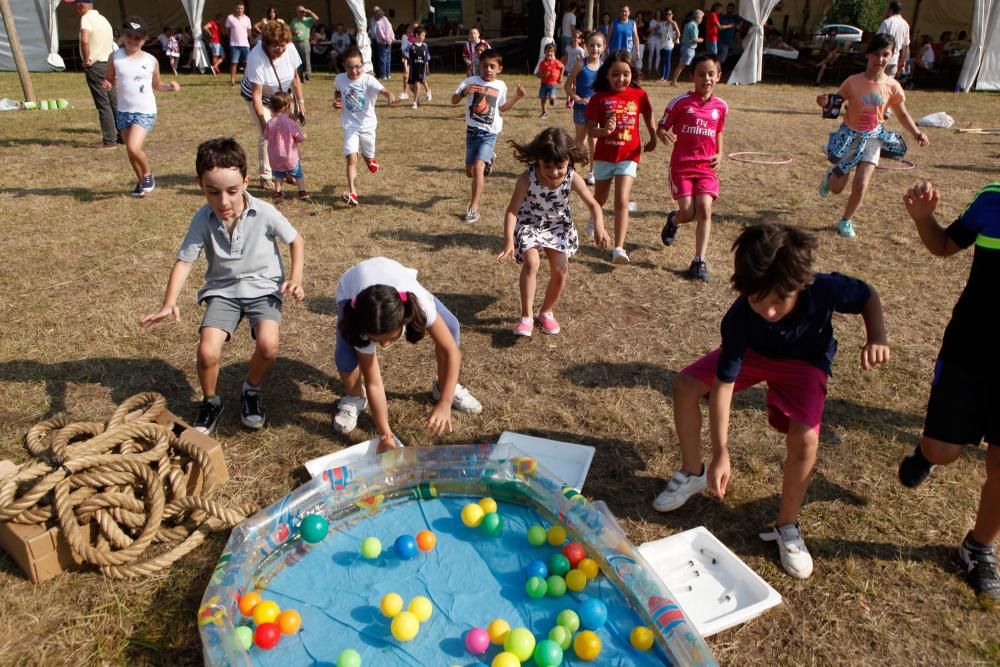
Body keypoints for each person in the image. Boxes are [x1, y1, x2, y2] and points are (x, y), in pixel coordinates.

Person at [652, 222, 890, 580]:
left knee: (806, 438)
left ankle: (787, 525)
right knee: (685, 385)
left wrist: (877, 336)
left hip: (806, 362)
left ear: (800, 282)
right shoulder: (739, 319)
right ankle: (692, 472)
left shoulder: (823, 289)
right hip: (754, 354)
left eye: (780, 299)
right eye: (756, 299)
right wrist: (721, 452)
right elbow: (723, 387)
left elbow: (867, 295)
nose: (769, 311)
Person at [140, 137, 305, 434]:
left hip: (264, 288)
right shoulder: (203, 218)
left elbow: (296, 240)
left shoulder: (265, 212)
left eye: (232, 191)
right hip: (223, 291)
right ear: (200, 184)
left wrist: (296, 278)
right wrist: (168, 302)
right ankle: (211, 400)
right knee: (207, 352)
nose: (223, 201)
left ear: (246, 181)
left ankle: (251, 391)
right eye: (212, 192)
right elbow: (185, 261)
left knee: (268, 344)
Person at [898, 181, 1000, 602]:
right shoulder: (992, 200)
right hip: (969, 352)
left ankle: (978, 546)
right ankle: (926, 455)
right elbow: (943, 245)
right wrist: (924, 220)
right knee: (943, 450)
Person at [331, 257, 483, 452]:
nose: (384, 345)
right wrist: (385, 435)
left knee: (451, 328)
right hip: (353, 290)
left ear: (405, 318)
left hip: (395, 282)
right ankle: (355, 397)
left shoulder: (417, 304)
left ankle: (446, 387)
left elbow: (452, 351)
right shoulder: (360, 322)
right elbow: (374, 383)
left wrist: (444, 403)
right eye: (377, 339)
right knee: (345, 359)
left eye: (390, 338)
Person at [497, 128, 608, 337]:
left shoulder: (573, 178)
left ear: (569, 161)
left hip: (558, 225)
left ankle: (546, 312)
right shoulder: (526, 178)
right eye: (548, 166)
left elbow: (594, 205)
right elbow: (512, 211)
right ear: (538, 160)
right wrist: (508, 242)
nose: (555, 172)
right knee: (532, 262)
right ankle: (526, 316)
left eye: (560, 166)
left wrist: (599, 228)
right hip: (529, 223)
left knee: (560, 270)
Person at [816, 33, 928, 238]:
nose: (880, 59)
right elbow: (833, 103)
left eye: (886, 54)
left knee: (861, 184)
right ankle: (831, 176)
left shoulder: (892, 86)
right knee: (837, 188)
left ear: (892, 56)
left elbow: (902, 113)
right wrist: (823, 101)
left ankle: (845, 221)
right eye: (876, 54)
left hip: (874, 139)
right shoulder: (853, 82)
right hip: (851, 137)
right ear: (868, 55)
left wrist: (917, 132)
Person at [658, 53, 727, 283]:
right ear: (692, 77)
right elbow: (662, 127)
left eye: (710, 74)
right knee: (688, 212)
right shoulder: (680, 103)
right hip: (682, 166)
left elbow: (718, 131)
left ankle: (699, 261)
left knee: (704, 209)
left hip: (706, 167)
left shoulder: (721, 107)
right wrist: (663, 133)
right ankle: (674, 221)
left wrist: (720, 153)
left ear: (718, 76)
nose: (706, 79)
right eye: (700, 74)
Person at [584, 49, 656, 265]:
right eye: (615, 74)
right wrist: (604, 131)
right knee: (600, 198)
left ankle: (618, 248)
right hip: (605, 156)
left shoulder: (639, 95)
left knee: (622, 200)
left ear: (632, 73)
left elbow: (649, 115)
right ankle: (594, 217)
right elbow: (590, 130)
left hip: (629, 155)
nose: (620, 79)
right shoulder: (599, 99)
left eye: (625, 74)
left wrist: (652, 137)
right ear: (607, 74)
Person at [101, 16, 180, 198]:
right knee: (130, 151)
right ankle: (140, 182)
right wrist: (106, 84)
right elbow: (109, 79)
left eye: (138, 38)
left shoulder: (151, 60)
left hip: (144, 110)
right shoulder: (115, 57)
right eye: (129, 36)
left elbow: (157, 84)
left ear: (144, 40)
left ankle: (147, 174)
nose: (133, 41)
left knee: (134, 147)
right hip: (123, 110)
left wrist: (168, 87)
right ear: (122, 35)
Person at [451, 49, 526, 224]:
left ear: (499, 68)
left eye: (492, 66)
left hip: (489, 133)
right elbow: (454, 100)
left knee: (478, 168)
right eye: (485, 66)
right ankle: (489, 159)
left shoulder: (500, 86)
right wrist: (463, 93)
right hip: (472, 132)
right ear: (479, 66)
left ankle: (473, 208)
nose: (488, 70)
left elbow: (503, 107)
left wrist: (517, 97)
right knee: (470, 172)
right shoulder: (470, 81)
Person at [241, 20, 306, 192]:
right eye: (275, 46)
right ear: (266, 43)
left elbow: (295, 78)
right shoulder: (256, 57)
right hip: (260, 97)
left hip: (282, 96)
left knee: (289, 132)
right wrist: (265, 125)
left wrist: (300, 104)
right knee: (268, 136)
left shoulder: (290, 48)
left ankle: (290, 170)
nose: (280, 50)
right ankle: (266, 176)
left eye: (283, 46)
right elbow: (256, 95)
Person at [334, 46, 397, 206]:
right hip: (350, 126)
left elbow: (383, 90)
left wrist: (389, 95)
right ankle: (353, 194)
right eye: (350, 67)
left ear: (363, 65)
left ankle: (370, 160)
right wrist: (337, 102)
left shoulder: (368, 80)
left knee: (368, 157)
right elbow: (338, 93)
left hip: (367, 126)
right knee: (351, 158)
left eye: (358, 66)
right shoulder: (340, 79)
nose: (354, 70)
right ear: (344, 66)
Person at [75, 0, 118, 149]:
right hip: (109, 64)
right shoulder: (103, 19)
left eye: (76, 5)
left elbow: (85, 40)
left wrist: (86, 60)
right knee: (114, 101)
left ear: (81, 5)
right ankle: (123, 135)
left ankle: (109, 140)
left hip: (96, 65)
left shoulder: (86, 18)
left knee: (103, 104)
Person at [566, 30, 605, 184]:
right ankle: (571, 168)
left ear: (603, 47)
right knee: (579, 140)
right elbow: (567, 85)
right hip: (581, 109)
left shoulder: (604, 67)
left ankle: (592, 172)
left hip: (597, 111)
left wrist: (597, 99)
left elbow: (605, 89)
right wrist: (577, 98)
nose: (595, 48)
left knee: (593, 141)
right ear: (586, 46)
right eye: (592, 45)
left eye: (598, 45)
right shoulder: (580, 64)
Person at [265, 92, 309, 200]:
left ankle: (278, 192)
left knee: (278, 176)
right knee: (298, 174)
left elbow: (265, 135)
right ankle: (302, 192)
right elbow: (299, 138)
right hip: (290, 156)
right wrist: (304, 136)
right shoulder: (290, 122)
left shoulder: (270, 122)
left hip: (275, 157)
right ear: (286, 107)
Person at [877, 1, 910, 78]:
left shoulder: (887, 22)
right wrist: (903, 61)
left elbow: (878, 40)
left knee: (877, 85)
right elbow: (906, 47)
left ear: (890, 9)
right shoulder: (906, 25)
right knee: (888, 87)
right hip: (894, 61)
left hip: (882, 60)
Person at [671, 10, 703, 85]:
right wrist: (700, 40)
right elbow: (694, 39)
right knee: (681, 66)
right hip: (689, 48)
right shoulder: (694, 26)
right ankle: (674, 81)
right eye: (701, 17)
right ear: (697, 17)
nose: (702, 19)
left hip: (685, 47)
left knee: (690, 66)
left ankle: (691, 79)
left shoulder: (687, 24)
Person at [289, 6, 319, 82]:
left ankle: (308, 76)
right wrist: (293, 32)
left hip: (305, 42)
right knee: (297, 60)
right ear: (297, 12)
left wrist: (309, 11)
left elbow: (317, 19)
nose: (302, 13)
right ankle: (300, 77)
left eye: (303, 12)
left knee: (306, 60)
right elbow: (289, 31)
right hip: (296, 42)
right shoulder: (294, 21)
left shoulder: (307, 20)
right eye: (300, 11)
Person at [226, 3, 253, 86]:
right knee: (234, 62)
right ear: (235, 8)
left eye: (241, 8)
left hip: (245, 44)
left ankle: (248, 79)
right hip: (234, 44)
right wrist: (230, 39)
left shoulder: (247, 19)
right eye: (238, 8)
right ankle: (232, 80)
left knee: (247, 63)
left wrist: (251, 39)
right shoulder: (230, 18)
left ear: (243, 9)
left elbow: (249, 32)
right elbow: (227, 30)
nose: (240, 10)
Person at [536, 43, 564, 118]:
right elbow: (538, 75)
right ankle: (544, 112)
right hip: (544, 84)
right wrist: (543, 75)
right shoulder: (542, 63)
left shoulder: (556, 62)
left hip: (553, 84)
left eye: (552, 51)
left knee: (551, 97)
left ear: (554, 53)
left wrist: (560, 77)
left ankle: (552, 100)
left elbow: (562, 67)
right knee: (542, 98)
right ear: (544, 52)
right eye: (548, 51)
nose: (549, 53)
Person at [407, 28, 431, 109]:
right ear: (417, 35)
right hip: (413, 68)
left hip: (421, 68)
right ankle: (417, 96)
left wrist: (427, 68)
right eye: (422, 35)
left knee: (418, 83)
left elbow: (427, 59)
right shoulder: (411, 46)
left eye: (424, 35)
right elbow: (409, 58)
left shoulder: (425, 46)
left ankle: (414, 102)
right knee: (411, 86)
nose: (424, 37)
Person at [562, 30, 585, 108]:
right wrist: (562, 67)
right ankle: (568, 100)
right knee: (569, 85)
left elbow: (583, 60)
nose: (575, 39)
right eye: (574, 37)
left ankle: (573, 99)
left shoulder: (581, 50)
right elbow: (565, 58)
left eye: (577, 37)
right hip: (569, 69)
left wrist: (580, 60)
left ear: (580, 40)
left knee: (575, 86)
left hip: (577, 71)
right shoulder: (568, 48)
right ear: (571, 38)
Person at [657, 8, 681, 82]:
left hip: (669, 44)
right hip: (662, 44)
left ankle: (666, 77)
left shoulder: (673, 23)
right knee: (662, 61)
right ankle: (662, 77)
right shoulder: (663, 23)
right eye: (667, 14)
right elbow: (661, 33)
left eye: (669, 14)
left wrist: (674, 41)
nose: (668, 15)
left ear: (672, 15)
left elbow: (678, 33)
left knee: (667, 61)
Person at [373, 9, 395, 80]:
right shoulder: (387, 21)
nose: (375, 17)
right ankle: (388, 75)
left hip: (382, 43)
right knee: (388, 59)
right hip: (389, 42)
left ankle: (383, 75)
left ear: (378, 15)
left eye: (376, 15)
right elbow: (391, 30)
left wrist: (386, 39)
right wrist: (391, 39)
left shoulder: (379, 23)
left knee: (382, 59)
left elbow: (381, 34)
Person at [646, 10, 663, 76]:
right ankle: (649, 68)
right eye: (657, 13)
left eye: (659, 13)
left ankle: (656, 68)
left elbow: (662, 33)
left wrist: (655, 31)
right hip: (652, 39)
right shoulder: (653, 21)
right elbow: (649, 29)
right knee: (651, 53)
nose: (658, 15)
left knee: (658, 54)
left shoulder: (663, 22)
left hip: (659, 40)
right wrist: (654, 30)